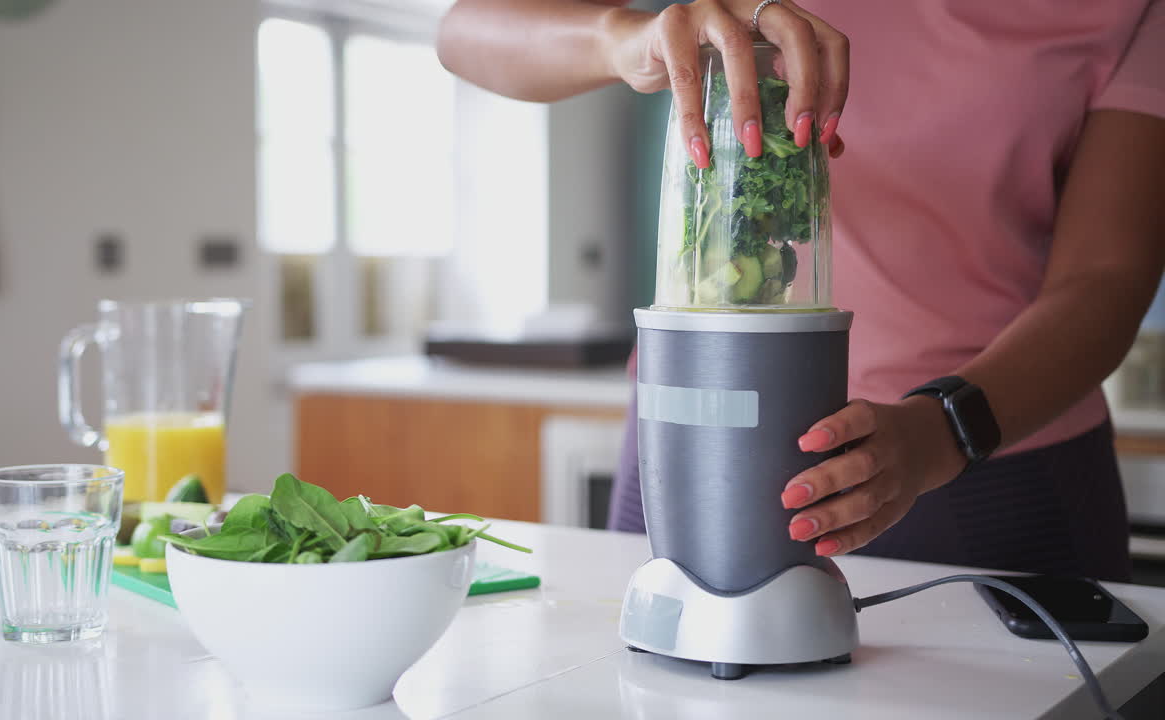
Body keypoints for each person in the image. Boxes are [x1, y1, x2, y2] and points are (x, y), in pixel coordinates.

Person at [437, 0, 1165, 581]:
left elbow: (1106, 278)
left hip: (994, 454)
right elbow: (466, 30)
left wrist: (939, 432)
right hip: (698, 434)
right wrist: (625, 39)